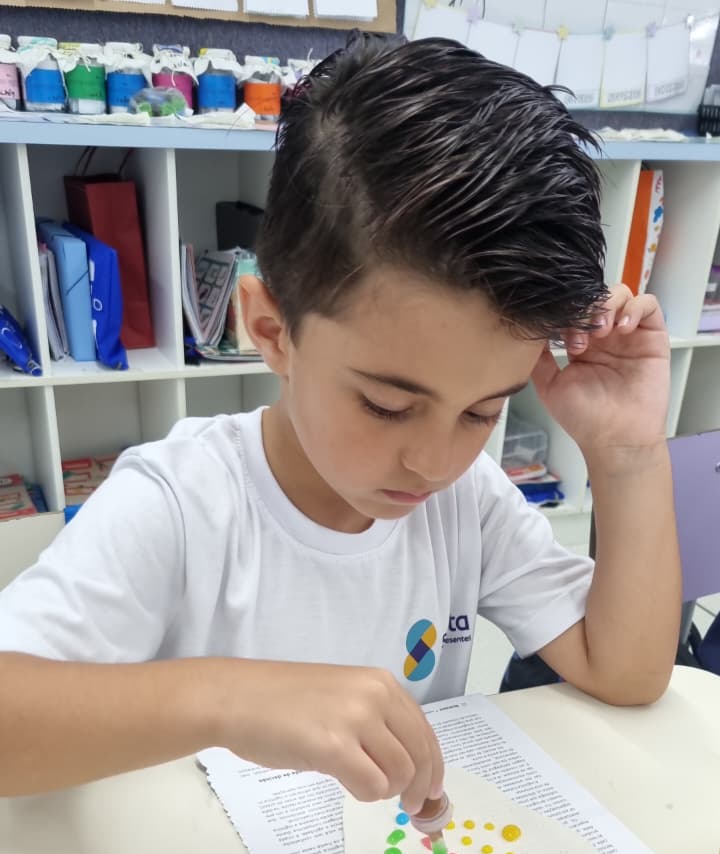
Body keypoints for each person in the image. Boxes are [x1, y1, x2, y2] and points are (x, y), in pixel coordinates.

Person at [0, 36, 679, 808]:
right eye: (387, 405)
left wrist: (627, 454)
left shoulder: (470, 503)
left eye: (483, 411)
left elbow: (628, 672)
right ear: (271, 331)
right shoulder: (181, 503)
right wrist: (228, 699)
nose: (435, 463)